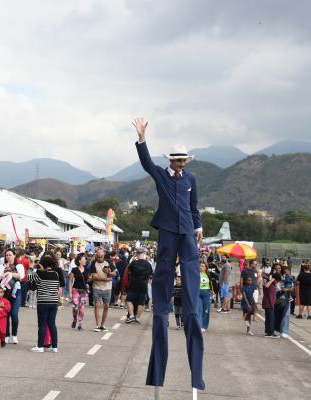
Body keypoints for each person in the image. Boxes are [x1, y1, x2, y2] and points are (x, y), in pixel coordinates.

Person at [133, 117, 205, 391]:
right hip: (166, 230)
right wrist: (141, 140)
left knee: (190, 267)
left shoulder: (191, 179)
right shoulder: (161, 175)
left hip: (187, 230)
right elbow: (147, 164)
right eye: (178, 161)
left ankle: (190, 308)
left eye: (184, 161)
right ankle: (161, 304)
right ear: (171, 161)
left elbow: (195, 205)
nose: (181, 165)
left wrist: (198, 227)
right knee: (164, 269)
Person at [27, 252, 61, 353]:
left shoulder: (40, 273)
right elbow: (56, 287)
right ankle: (54, 347)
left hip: (43, 302)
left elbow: (28, 277)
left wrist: (32, 267)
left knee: (42, 325)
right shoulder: (56, 274)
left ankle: (40, 346)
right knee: (52, 324)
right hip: (53, 301)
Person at [0, 249, 25, 344]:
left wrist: (10, 274)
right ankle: (6, 334)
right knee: (5, 314)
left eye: (10, 255)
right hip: (4, 293)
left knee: (14, 314)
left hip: (16, 292)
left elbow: (21, 276)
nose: (8, 256)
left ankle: (14, 335)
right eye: (6, 255)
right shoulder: (1, 266)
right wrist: (1, 276)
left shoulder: (19, 265)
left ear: (14, 255)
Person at [124, 247, 153, 324]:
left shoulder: (134, 263)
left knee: (129, 300)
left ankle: (131, 316)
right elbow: (150, 275)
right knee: (141, 302)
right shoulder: (148, 264)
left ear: (137, 254)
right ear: (144, 254)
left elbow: (129, 271)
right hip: (143, 285)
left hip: (133, 284)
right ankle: (138, 318)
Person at [69, 253, 90, 331]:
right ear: (79, 261)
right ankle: (74, 319)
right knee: (75, 308)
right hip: (75, 289)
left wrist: (88, 282)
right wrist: (70, 291)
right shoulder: (74, 270)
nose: (85, 260)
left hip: (84, 291)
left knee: (81, 309)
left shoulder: (87, 269)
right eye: (84, 259)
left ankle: (80, 324)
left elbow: (87, 280)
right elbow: (70, 280)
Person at [262, 273, 281, 338]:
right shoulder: (269, 283)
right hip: (268, 304)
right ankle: (271, 333)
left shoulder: (273, 285)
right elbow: (266, 286)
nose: (277, 282)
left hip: (271, 304)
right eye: (277, 281)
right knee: (270, 319)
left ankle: (268, 332)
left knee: (269, 319)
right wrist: (272, 279)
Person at [197, 262, 214, 332]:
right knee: (199, 310)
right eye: (200, 266)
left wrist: (213, 292)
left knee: (206, 310)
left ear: (206, 268)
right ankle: (199, 325)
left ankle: (204, 326)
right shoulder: (196, 274)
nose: (201, 267)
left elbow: (211, 284)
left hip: (207, 293)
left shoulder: (208, 274)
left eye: (203, 266)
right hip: (198, 293)